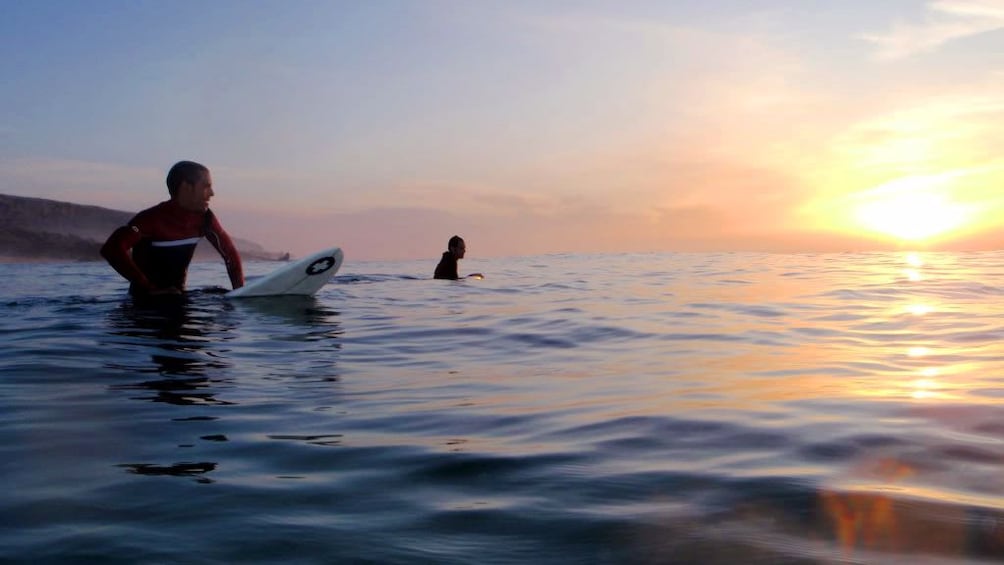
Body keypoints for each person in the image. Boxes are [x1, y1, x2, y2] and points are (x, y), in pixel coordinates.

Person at [101, 160, 244, 296]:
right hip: (145, 307)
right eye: (206, 186)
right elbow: (112, 248)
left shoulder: (205, 219)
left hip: (178, 298)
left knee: (216, 292)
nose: (212, 193)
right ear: (186, 187)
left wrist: (241, 291)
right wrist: (148, 288)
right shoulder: (151, 219)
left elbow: (229, 253)